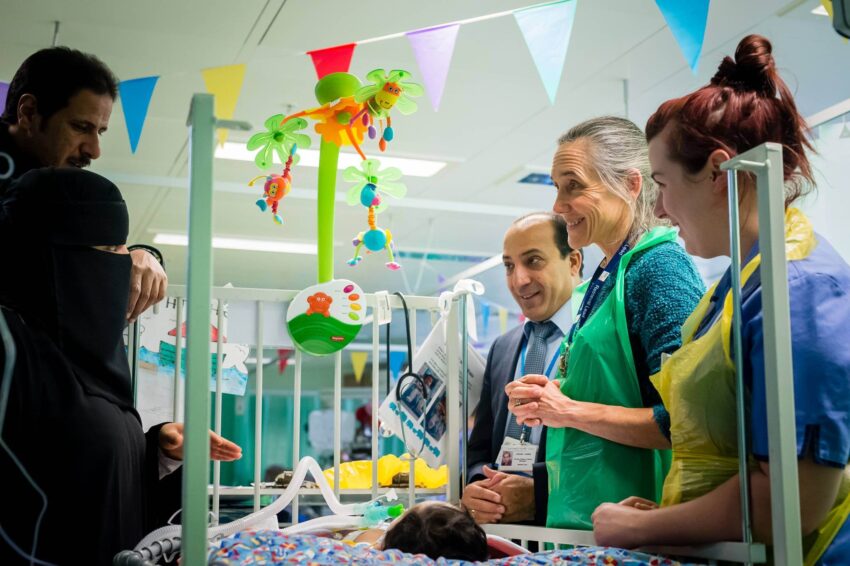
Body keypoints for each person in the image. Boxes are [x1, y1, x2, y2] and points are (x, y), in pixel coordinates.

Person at [591, 35, 850, 564]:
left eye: (662, 184)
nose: (659, 210)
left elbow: (795, 501)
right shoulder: (739, 288)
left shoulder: (799, 291)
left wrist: (643, 527)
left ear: (717, 172)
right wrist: (672, 519)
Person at [0, 168, 242, 565]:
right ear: (59, 259)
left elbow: (93, 485)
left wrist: (159, 450)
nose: (127, 265)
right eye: (112, 248)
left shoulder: (95, 363)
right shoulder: (13, 351)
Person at [506, 116, 705, 530]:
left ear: (631, 185)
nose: (558, 206)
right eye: (556, 188)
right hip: (589, 522)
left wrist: (569, 410)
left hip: (642, 524)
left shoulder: (660, 270)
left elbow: (684, 422)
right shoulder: (608, 276)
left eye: (573, 186)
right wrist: (553, 397)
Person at [0, 46, 166, 323]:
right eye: (80, 127)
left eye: (100, 131)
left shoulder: (61, 192)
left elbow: (95, 249)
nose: (95, 150)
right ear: (28, 112)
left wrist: (143, 256)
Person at [462, 212, 582, 526]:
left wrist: (538, 494)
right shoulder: (503, 348)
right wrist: (479, 488)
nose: (519, 280)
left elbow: (607, 455)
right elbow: (480, 449)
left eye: (533, 261)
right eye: (509, 266)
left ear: (573, 262)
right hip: (503, 533)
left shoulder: (596, 338)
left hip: (572, 532)